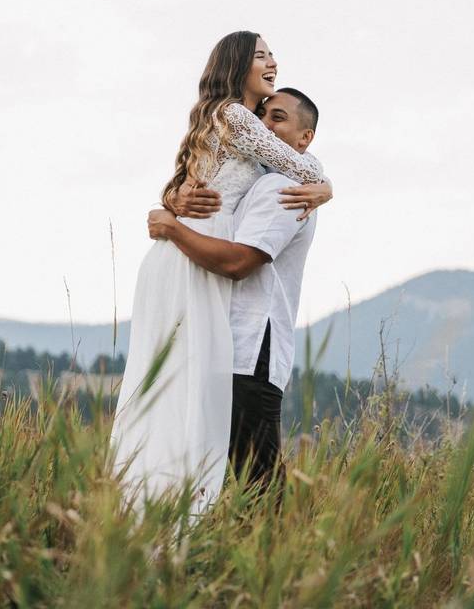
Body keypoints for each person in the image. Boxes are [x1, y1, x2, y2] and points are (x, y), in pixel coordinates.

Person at [110, 32, 333, 518]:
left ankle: (172, 513)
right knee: (188, 409)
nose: (273, 61)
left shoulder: (252, 144)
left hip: (212, 282)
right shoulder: (233, 118)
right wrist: (325, 185)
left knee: (207, 423)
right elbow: (297, 162)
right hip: (193, 269)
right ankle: (167, 511)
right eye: (261, 55)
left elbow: (292, 163)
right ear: (237, 65)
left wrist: (171, 210)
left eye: (273, 53)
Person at [148, 87, 324, 505]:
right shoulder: (258, 181)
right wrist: (175, 199)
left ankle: (276, 565)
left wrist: (173, 228)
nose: (264, 127)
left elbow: (239, 262)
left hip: (252, 349)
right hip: (226, 343)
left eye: (278, 118)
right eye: (261, 116)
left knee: (256, 485)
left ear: (305, 139)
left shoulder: (282, 188)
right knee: (220, 478)